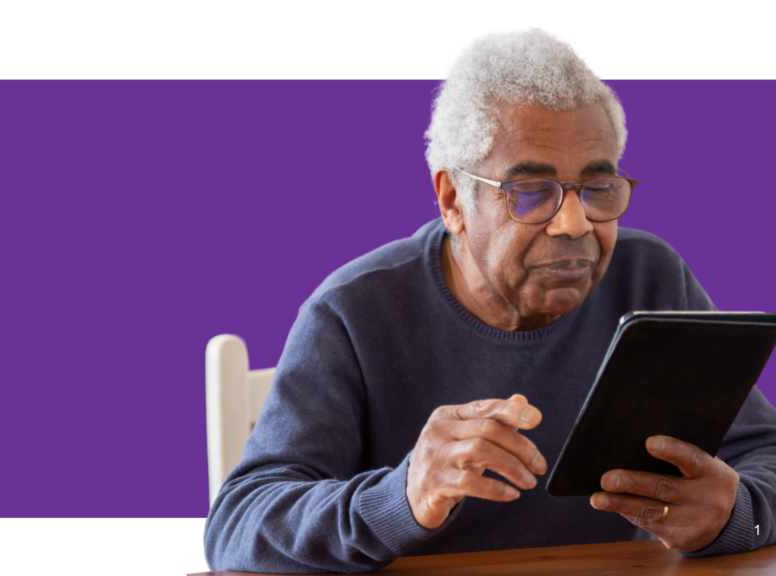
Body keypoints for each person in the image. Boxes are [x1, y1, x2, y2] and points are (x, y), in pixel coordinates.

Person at [203, 29, 776, 573]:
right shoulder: (353, 313)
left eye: (597, 188)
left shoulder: (652, 278)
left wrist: (736, 515)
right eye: (531, 193)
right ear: (453, 199)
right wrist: (401, 496)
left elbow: (765, 455)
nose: (574, 223)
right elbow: (239, 522)